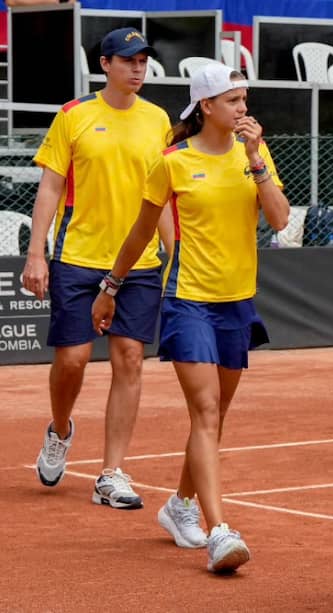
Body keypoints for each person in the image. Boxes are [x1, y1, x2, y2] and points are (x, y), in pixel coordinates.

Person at [92, 63, 289, 572]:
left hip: (238, 301)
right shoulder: (173, 162)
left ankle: (179, 504)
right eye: (232, 100)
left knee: (215, 416)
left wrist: (255, 159)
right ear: (206, 106)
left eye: (245, 100)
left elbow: (280, 218)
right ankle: (220, 530)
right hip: (188, 300)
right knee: (204, 412)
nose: (243, 109)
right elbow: (139, 234)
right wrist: (110, 286)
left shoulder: (256, 154)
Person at [26, 27, 171, 510]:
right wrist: (35, 253)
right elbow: (50, 187)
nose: (138, 68)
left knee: (129, 358)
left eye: (144, 61)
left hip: (141, 263)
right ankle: (61, 430)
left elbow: (163, 199)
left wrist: (179, 254)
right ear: (105, 64)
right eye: (129, 60)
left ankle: (112, 472)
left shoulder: (159, 120)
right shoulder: (74, 116)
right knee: (72, 360)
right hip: (79, 257)